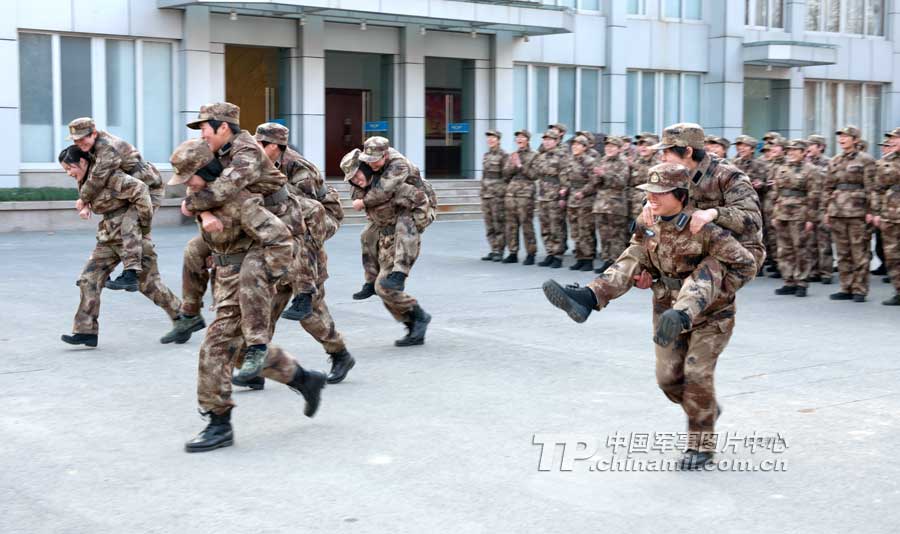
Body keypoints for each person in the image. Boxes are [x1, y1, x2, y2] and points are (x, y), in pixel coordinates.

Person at [542, 163, 756, 469]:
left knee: (697, 374)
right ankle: (589, 297)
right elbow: (642, 259)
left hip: (711, 314)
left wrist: (721, 287)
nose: (651, 198)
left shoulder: (704, 228)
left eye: (659, 193)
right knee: (668, 380)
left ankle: (701, 445)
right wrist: (649, 278)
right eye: (649, 192)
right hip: (666, 307)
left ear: (681, 195)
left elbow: (746, 265)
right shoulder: (649, 221)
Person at [169, 139, 326, 453]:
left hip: (247, 282)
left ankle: (218, 422)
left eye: (191, 177)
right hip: (225, 279)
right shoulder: (204, 196)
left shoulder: (241, 201)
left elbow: (281, 240)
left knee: (215, 347)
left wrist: (262, 279)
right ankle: (304, 379)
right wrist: (203, 217)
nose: (187, 184)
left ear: (207, 169)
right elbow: (195, 209)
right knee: (239, 351)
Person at [179, 102, 315, 379]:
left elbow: (224, 189)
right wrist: (200, 209)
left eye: (205, 127)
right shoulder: (218, 150)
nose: (202, 134)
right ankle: (190, 314)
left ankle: (258, 347)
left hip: (277, 221)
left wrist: (192, 204)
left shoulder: (246, 150)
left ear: (224, 127)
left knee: (254, 277)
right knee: (194, 249)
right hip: (244, 217)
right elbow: (202, 182)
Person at [253, 122, 354, 383]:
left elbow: (309, 215)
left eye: (261, 145)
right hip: (285, 240)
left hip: (319, 222)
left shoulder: (299, 169)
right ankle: (256, 366)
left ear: (274, 146)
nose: (255, 148)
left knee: (310, 313)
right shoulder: (260, 164)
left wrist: (306, 280)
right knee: (262, 309)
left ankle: (340, 353)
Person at [59, 146, 181, 348]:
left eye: (69, 168)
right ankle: (85, 331)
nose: (68, 173)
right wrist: (87, 206)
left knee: (149, 285)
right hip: (107, 239)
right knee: (88, 280)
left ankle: (184, 317)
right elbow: (98, 200)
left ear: (82, 162)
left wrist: (144, 228)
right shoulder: (86, 180)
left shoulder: (111, 176)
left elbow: (142, 193)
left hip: (131, 240)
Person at [343, 148, 434, 346]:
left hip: (403, 240)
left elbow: (420, 204)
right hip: (384, 240)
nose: (356, 180)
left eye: (357, 174)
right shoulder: (362, 189)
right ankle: (411, 324)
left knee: (385, 287)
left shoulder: (396, 185)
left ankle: (419, 316)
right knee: (381, 287)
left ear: (366, 168)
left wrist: (417, 224)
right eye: (351, 178)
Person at [67, 117, 165, 291]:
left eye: (83, 138)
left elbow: (97, 178)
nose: (79, 143)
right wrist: (87, 202)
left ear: (94, 134)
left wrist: (83, 199)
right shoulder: (92, 147)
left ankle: (132, 275)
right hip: (130, 191)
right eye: (76, 140)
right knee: (116, 228)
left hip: (149, 190)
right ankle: (100, 272)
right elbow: (89, 175)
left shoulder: (107, 148)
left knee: (129, 224)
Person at [349, 137, 434, 299]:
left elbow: (384, 190)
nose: (372, 164)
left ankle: (400, 274)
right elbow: (356, 173)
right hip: (397, 202)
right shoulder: (371, 161)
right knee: (367, 235)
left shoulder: (398, 165)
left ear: (385, 155)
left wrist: (363, 202)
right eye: (369, 160)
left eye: (376, 161)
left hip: (419, 205)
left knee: (405, 224)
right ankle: (370, 282)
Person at [823, 126, 877, 302]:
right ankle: (846, 287)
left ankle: (860, 289)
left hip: (858, 212)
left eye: (846, 136)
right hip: (837, 212)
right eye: (840, 136)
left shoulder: (866, 160)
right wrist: (826, 210)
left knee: (859, 252)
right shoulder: (835, 160)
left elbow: (872, 187)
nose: (842, 139)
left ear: (855, 139)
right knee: (843, 252)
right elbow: (828, 187)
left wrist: (872, 210)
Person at [771, 139, 821, 297]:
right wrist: (775, 214)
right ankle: (789, 280)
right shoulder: (782, 168)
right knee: (784, 249)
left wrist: (810, 219)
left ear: (804, 152)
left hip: (800, 214)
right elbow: (776, 193)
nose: (791, 152)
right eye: (789, 150)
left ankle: (802, 282)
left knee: (801, 249)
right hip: (783, 213)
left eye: (795, 150)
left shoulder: (811, 170)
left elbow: (814, 196)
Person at [531, 129, 570, 268]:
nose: (546, 142)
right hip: (542, 196)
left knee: (556, 227)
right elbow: (535, 174)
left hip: (554, 196)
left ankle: (558, 255)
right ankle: (550, 253)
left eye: (550, 139)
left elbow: (565, 178)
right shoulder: (541, 157)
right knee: (545, 227)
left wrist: (562, 196)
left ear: (556, 141)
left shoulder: (562, 156)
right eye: (545, 139)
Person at [592, 135, 630, 273]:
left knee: (616, 236)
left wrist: (605, 174)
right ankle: (607, 260)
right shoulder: (603, 160)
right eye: (607, 146)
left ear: (619, 149)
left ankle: (617, 264)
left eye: (612, 146)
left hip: (615, 204)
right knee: (604, 235)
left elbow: (621, 182)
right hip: (601, 203)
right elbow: (596, 182)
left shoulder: (623, 162)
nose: (608, 149)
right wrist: (597, 176)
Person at [561, 135, 598, 271]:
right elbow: (564, 176)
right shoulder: (570, 161)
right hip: (572, 199)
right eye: (573, 144)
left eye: (578, 145)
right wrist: (565, 188)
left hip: (585, 200)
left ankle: (588, 259)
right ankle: (579, 257)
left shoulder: (590, 161)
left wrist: (583, 192)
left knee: (585, 230)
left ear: (584, 147)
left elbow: (594, 181)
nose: (574, 147)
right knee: (575, 230)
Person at [502, 129, 538, 264]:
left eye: (522, 137)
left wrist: (520, 165)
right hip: (512, 193)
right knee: (511, 224)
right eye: (517, 137)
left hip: (526, 194)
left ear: (527, 139)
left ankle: (531, 253)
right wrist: (512, 165)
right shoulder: (513, 155)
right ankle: (513, 252)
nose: (519, 139)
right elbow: (505, 174)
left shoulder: (534, 155)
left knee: (526, 224)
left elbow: (534, 175)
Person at [873, 128, 900, 305]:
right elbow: (877, 189)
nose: (892, 141)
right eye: (891, 139)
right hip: (890, 215)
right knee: (892, 255)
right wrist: (876, 212)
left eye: (895, 138)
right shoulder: (884, 162)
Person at [805, 134, 834, 283]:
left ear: (820, 147)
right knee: (810, 239)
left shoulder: (828, 162)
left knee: (823, 239)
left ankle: (826, 272)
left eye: (812, 144)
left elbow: (828, 180)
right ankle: (813, 270)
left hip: (822, 203)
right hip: (809, 204)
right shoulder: (804, 163)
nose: (808, 148)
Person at [480, 129, 509, 261]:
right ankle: (493, 249)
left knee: (499, 223)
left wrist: (501, 192)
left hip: (497, 195)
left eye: (493, 138)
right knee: (489, 224)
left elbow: (506, 176)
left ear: (498, 140)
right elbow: (484, 175)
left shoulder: (503, 155)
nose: (490, 140)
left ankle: (500, 250)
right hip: (486, 194)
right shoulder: (486, 155)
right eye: (489, 138)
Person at [627, 133, 660, 222]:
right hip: (633, 207)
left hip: (651, 207)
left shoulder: (659, 163)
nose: (643, 147)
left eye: (647, 145)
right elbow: (629, 185)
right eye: (640, 145)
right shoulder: (635, 162)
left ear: (654, 148)